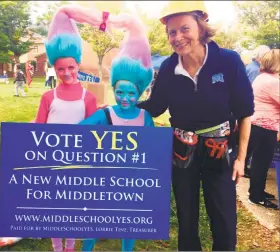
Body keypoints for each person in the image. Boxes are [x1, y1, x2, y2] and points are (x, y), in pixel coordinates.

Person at [137, 2, 254, 251]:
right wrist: (120, 109)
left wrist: (241, 158)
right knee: (186, 217)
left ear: (201, 27)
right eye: (171, 32)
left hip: (219, 150)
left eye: (184, 29)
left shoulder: (228, 62)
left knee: (223, 218)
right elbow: (155, 106)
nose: (177, 37)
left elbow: (245, 113)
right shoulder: (169, 68)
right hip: (183, 151)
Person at [33, 4, 107, 251]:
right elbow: (38, 128)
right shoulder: (47, 96)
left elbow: (95, 132)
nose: (66, 73)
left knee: (75, 205)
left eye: (71, 67)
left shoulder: (88, 97)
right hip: (52, 162)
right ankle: (56, 247)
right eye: (60, 68)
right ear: (54, 68)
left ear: (78, 66)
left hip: (79, 163)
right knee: (55, 206)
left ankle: (71, 245)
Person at [80, 12, 154, 252]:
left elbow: (153, 149)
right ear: (113, 90)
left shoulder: (145, 118)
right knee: (92, 220)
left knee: (128, 222)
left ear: (140, 93)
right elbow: (74, 135)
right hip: (100, 181)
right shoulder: (106, 115)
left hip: (130, 182)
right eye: (119, 92)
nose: (125, 98)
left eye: (131, 93)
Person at [246, 49, 279, 209]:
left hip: (258, 124)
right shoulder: (273, 82)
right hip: (265, 126)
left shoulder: (262, 78)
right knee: (261, 162)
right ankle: (256, 196)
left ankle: (256, 191)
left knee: (259, 161)